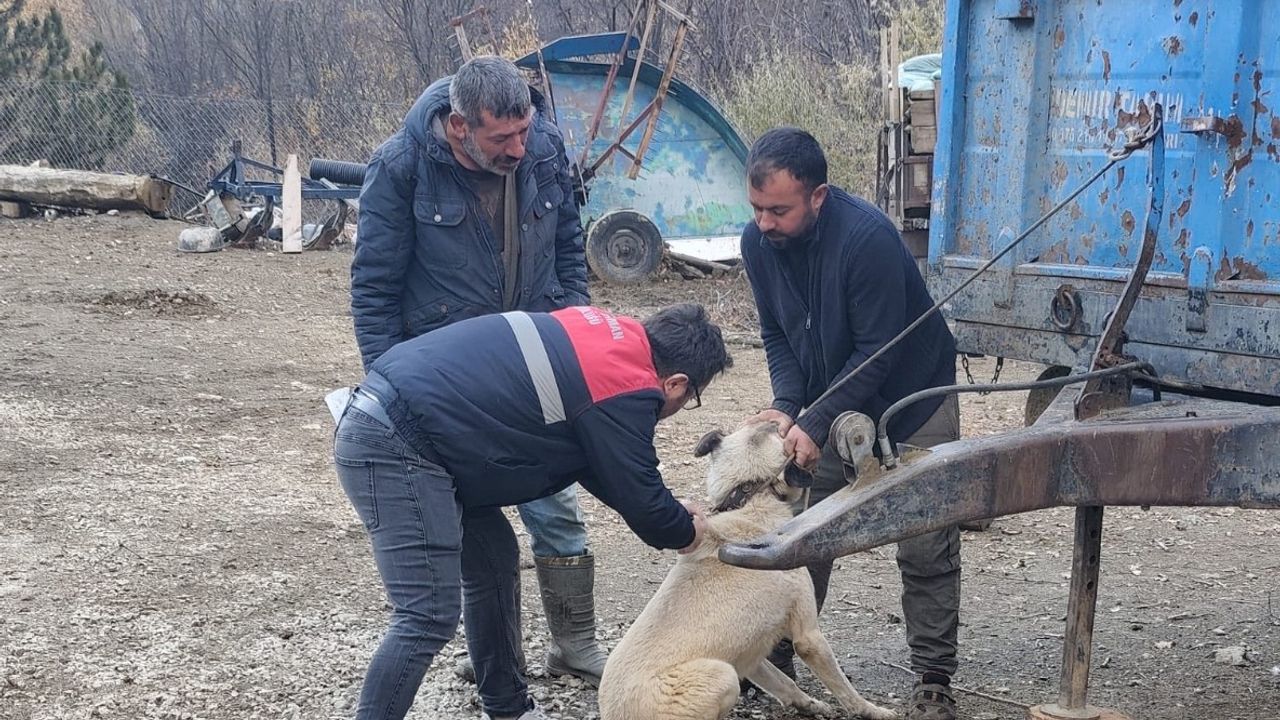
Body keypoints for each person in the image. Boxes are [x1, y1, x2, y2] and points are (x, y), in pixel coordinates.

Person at [332, 303, 731, 720]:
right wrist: (684, 530)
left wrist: (669, 512)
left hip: (421, 434)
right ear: (676, 383)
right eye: (691, 398)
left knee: (494, 557)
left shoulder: (608, 337)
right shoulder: (626, 383)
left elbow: (605, 467)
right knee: (426, 612)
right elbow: (641, 496)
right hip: (397, 445)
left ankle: (508, 708)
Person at [351, 55, 609, 687]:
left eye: (523, 131)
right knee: (470, 523)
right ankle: (492, 655)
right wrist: (394, 392)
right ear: (460, 126)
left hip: (537, 359)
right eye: (502, 138)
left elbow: (569, 246)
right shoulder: (401, 168)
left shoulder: (543, 146)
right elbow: (375, 290)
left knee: (555, 503)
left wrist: (575, 327)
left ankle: (574, 643)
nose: (518, 148)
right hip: (451, 383)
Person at [738, 127, 961, 720]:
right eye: (756, 208)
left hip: (915, 397)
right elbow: (776, 333)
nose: (763, 223)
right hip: (830, 404)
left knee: (926, 541)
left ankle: (933, 678)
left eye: (778, 210)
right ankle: (776, 655)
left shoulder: (869, 240)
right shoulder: (757, 243)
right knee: (804, 534)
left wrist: (813, 419)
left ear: (818, 196)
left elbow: (877, 353)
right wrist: (788, 405)